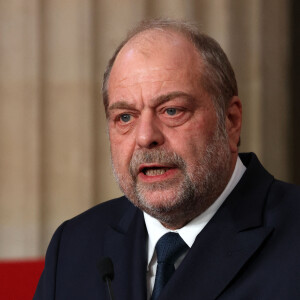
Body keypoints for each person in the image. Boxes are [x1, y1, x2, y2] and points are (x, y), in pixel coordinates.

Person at [34, 19, 300, 300]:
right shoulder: (75, 246)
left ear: (231, 121)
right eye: (125, 117)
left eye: (172, 110)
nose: (146, 137)